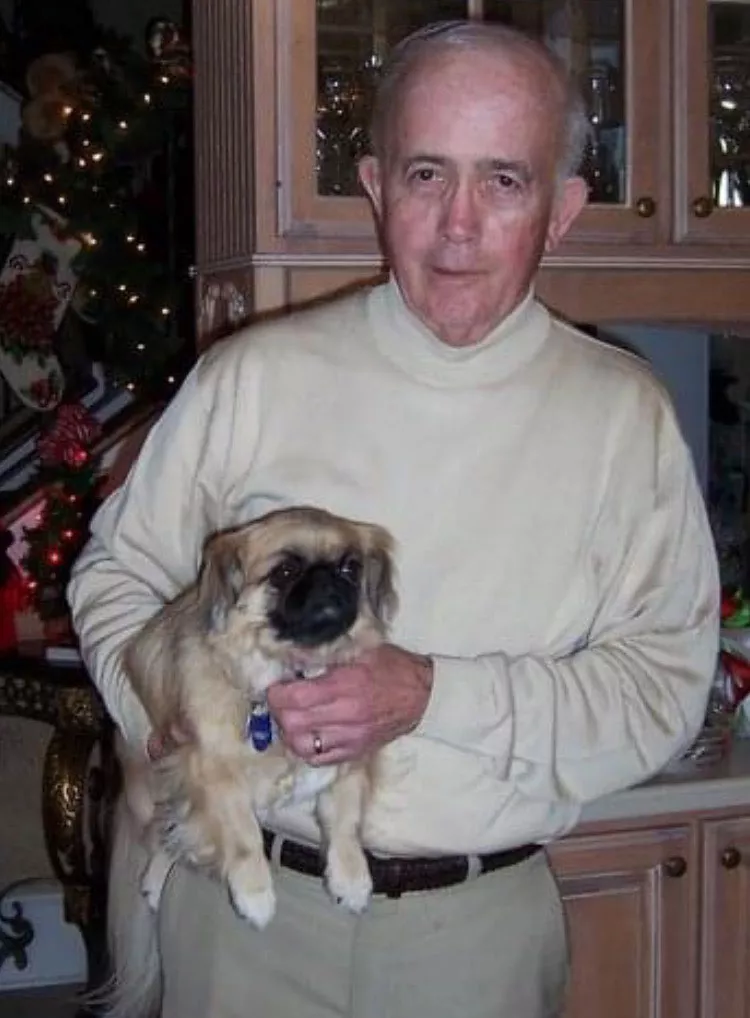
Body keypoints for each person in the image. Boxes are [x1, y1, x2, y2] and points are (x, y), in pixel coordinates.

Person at [67, 19, 720, 1018]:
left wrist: (429, 694)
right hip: (242, 923)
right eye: (427, 175)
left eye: (505, 180)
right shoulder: (253, 377)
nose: (459, 224)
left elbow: (662, 689)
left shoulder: (622, 420)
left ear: (563, 210)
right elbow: (115, 576)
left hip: (478, 935)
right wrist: (160, 708)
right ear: (377, 188)